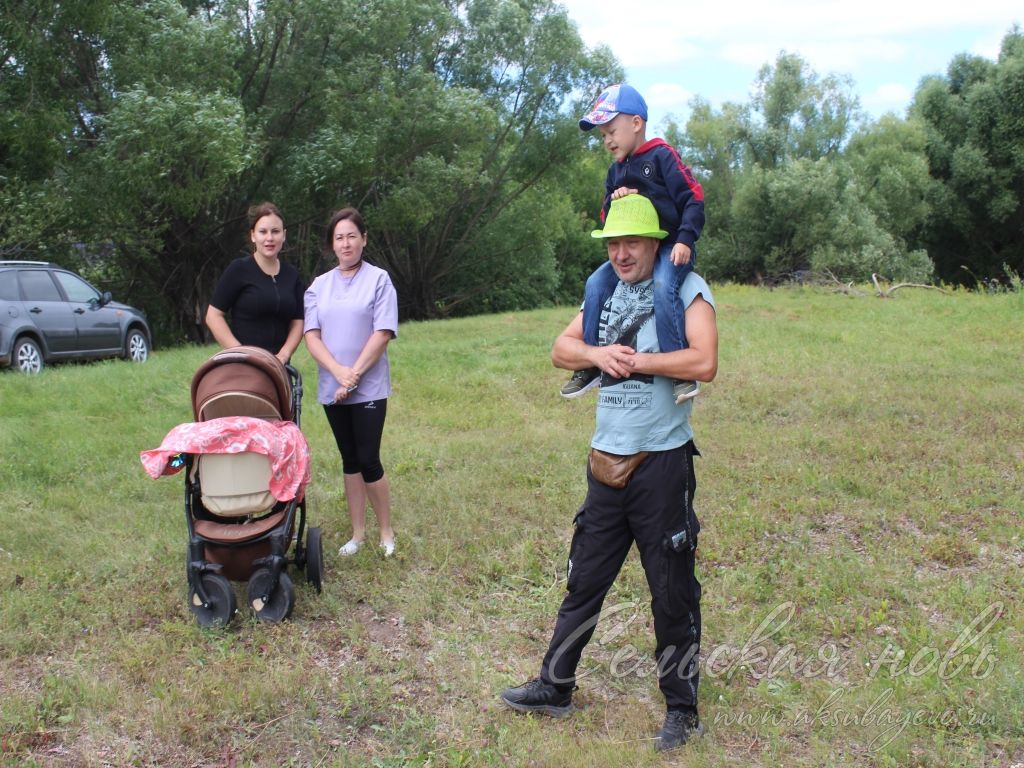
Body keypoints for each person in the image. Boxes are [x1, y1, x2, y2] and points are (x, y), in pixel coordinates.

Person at [501, 194, 718, 753]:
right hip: (605, 462)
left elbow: (704, 362)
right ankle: (555, 685)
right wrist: (598, 355)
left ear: (655, 243)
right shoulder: (607, 292)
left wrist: (637, 361)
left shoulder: (686, 289)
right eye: (613, 244)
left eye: (632, 243)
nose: (622, 254)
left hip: (662, 463)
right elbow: (559, 348)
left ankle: (681, 707)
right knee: (584, 581)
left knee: (671, 592)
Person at [560, 83, 705, 405]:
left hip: (670, 245)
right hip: (634, 252)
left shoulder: (662, 156)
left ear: (636, 123)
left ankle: (680, 371)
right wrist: (615, 202)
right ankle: (589, 365)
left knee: (664, 285)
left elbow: (693, 199)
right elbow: (606, 218)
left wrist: (685, 238)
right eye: (603, 136)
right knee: (595, 283)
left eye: (611, 130)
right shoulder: (616, 171)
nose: (608, 140)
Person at [303, 207, 399, 558]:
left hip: (369, 388)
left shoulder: (379, 280)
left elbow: (383, 331)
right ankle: (357, 534)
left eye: (352, 236)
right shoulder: (318, 287)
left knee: (368, 457)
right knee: (349, 460)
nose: (346, 243)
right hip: (333, 389)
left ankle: (386, 532)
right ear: (332, 243)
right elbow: (311, 336)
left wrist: (354, 375)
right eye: (339, 237)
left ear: (364, 239)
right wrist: (337, 373)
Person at [205, 202, 305, 364]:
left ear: (284, 235)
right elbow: (213, 316)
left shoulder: (291, 275)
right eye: (263, 232)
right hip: (244, 368)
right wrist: (240, 353)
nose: (269, 238)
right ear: (253, 235)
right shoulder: (238, 269)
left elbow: (298, 320)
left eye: (275, 231)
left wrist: (284, 355)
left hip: (280, 369)